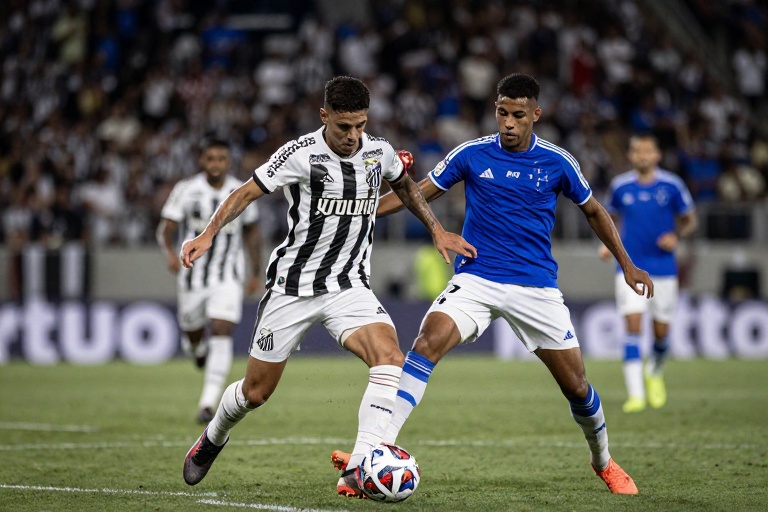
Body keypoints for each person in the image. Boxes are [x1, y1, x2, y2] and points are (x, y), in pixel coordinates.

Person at [331, 73, 654, 495]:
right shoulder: (472, 154)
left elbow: (594, 211)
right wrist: (362, 207)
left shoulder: (557, 161)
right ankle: (371, 456)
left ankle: (604, 462)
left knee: (577, 387)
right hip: (477, 279)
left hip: (535, 287)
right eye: (502, 113)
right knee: (426, 344)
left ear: (535, 115)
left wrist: (627, 264)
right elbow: (418, 192)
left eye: (518, 115)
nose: (508, 123)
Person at [179, 76, 476, 497]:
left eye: (360, 125)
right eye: (344, 126)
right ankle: (213, 437)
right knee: (255, 392)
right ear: (324, 116)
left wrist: (437, 229)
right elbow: (246, 192)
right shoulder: (300, 154)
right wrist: (209, 233)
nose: (353, 135)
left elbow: (406, 186)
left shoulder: (378, 151)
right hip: (293, 288)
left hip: (349, 285)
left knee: (390, 357)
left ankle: (360, 465)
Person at [158, 138, 262, 424]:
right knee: (193, 335)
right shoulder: (186, 190)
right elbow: (165, 229)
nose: (215, 164)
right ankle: (197, 350)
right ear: (201, 160)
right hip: (192, 276)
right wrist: (169, 254)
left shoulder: (240, 190)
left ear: (229, 161)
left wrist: (256, 271)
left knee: (221, 329)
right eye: (210, 158)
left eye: (221, 159)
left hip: (228, 275)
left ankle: (207, 404)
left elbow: (252, 232)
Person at [599, 134, 697, 413]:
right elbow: (608, 219)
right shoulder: (620, 186)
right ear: (630, 155)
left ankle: (654, 371)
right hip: (630, 268)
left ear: (657, 155)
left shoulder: (672, 185)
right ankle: (636, 395)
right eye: (637, 151)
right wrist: (607, 244)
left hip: (664, 269)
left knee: (661, 334)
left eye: (647, 151)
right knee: (632, 327)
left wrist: (676, 235)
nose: (642, 155)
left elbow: (690, 219)